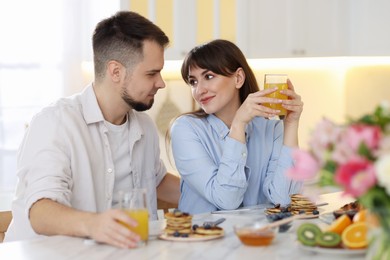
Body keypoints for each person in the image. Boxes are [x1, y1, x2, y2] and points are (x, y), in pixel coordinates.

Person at [4, 11, 180, 248]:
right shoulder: (55, 123)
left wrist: (219, 193)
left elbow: (156, 182)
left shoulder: (144, 126)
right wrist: (95, 225)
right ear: (115, 71)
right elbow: (40, 211)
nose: (161, 82)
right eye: (151, 73)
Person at [170, 39, 303, 214]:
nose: (199, 90)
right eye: (193, 82)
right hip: (201, 238)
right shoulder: (185, 129)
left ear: (238, 78)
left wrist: (291, 124)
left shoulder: (273, 130)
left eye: (208, 77)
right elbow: (226, 199)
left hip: (256, 238)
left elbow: (283, 200)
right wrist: (238, 125)